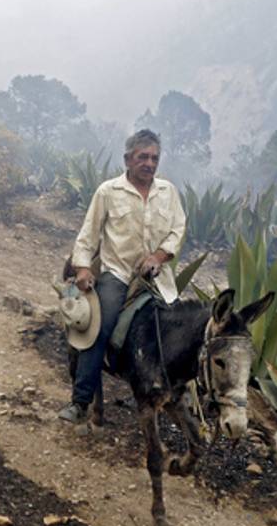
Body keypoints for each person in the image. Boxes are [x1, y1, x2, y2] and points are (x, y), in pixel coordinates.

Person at [58, 129, 187, 423]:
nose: (149, 163)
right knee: (98, 329)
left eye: (154, 158)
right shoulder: (108, 192)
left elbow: (177, 231)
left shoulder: (168, 192)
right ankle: (80, 402)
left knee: (182, 334)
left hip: (158, 279)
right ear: (128, 159)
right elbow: (88, 236)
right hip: (118, 275)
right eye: (143, 157)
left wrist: (158, 257)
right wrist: (82, 269)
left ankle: (183, 401)